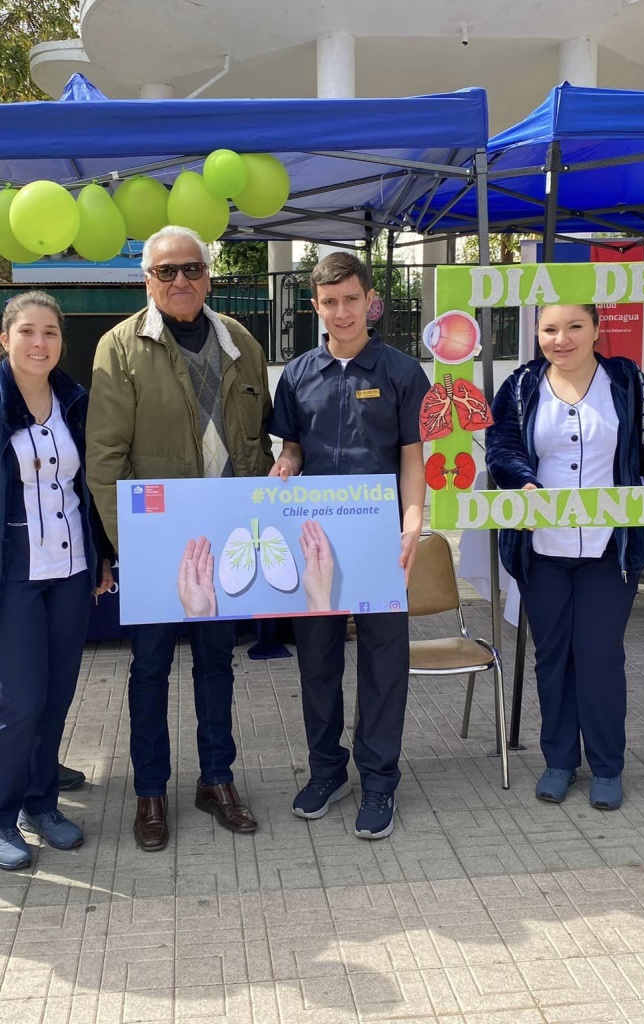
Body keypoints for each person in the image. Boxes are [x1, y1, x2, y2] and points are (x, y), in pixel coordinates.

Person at [86, 224, 273, 852]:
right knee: (150, 669)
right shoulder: (118, 348)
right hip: (156, 545)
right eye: (166, 272)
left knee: (218, 664)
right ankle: (149, 791)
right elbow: (105, 460)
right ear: (147, 278)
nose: (180, 281)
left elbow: (260, 440)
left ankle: (216, 780)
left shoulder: (242, 341)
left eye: (191, 269)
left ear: (208, 275)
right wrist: (132, 547)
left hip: (226, 541)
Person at [485, 303, 644, 811]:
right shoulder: (520, 386)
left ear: (597, 329)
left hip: (609, 550)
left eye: (575, 327)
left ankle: (606, 765)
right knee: (552, 656)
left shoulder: (628, 382)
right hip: (542, 550)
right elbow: (501, 447)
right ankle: (558, 760)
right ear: (537, 332)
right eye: (550, 328)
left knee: (598, 654)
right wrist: (522, 481)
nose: (562, 338)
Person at [0, 291, 113, 870]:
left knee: (58, 695)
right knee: (19, 701)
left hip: (70, 572)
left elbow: (91, 489)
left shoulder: (75, 400)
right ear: (5, 338)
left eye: (52, 334)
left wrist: (103, 555)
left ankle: (42, 803)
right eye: (29, 332)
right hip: (7, 573)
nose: (41, 344)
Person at [267, 251, 427, 840]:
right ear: (316, 306)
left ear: (370, 301)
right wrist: (284, 465)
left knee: (385, 664)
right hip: (316, 542)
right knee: (317, 662)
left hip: (382, 543)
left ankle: (380, 780)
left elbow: (413, 460)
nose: (341, 312)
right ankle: (325, 770)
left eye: (351, 300)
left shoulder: (403, 373)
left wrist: (413, 521)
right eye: (330, 303)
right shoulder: (298, 374)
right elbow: (293, 451)